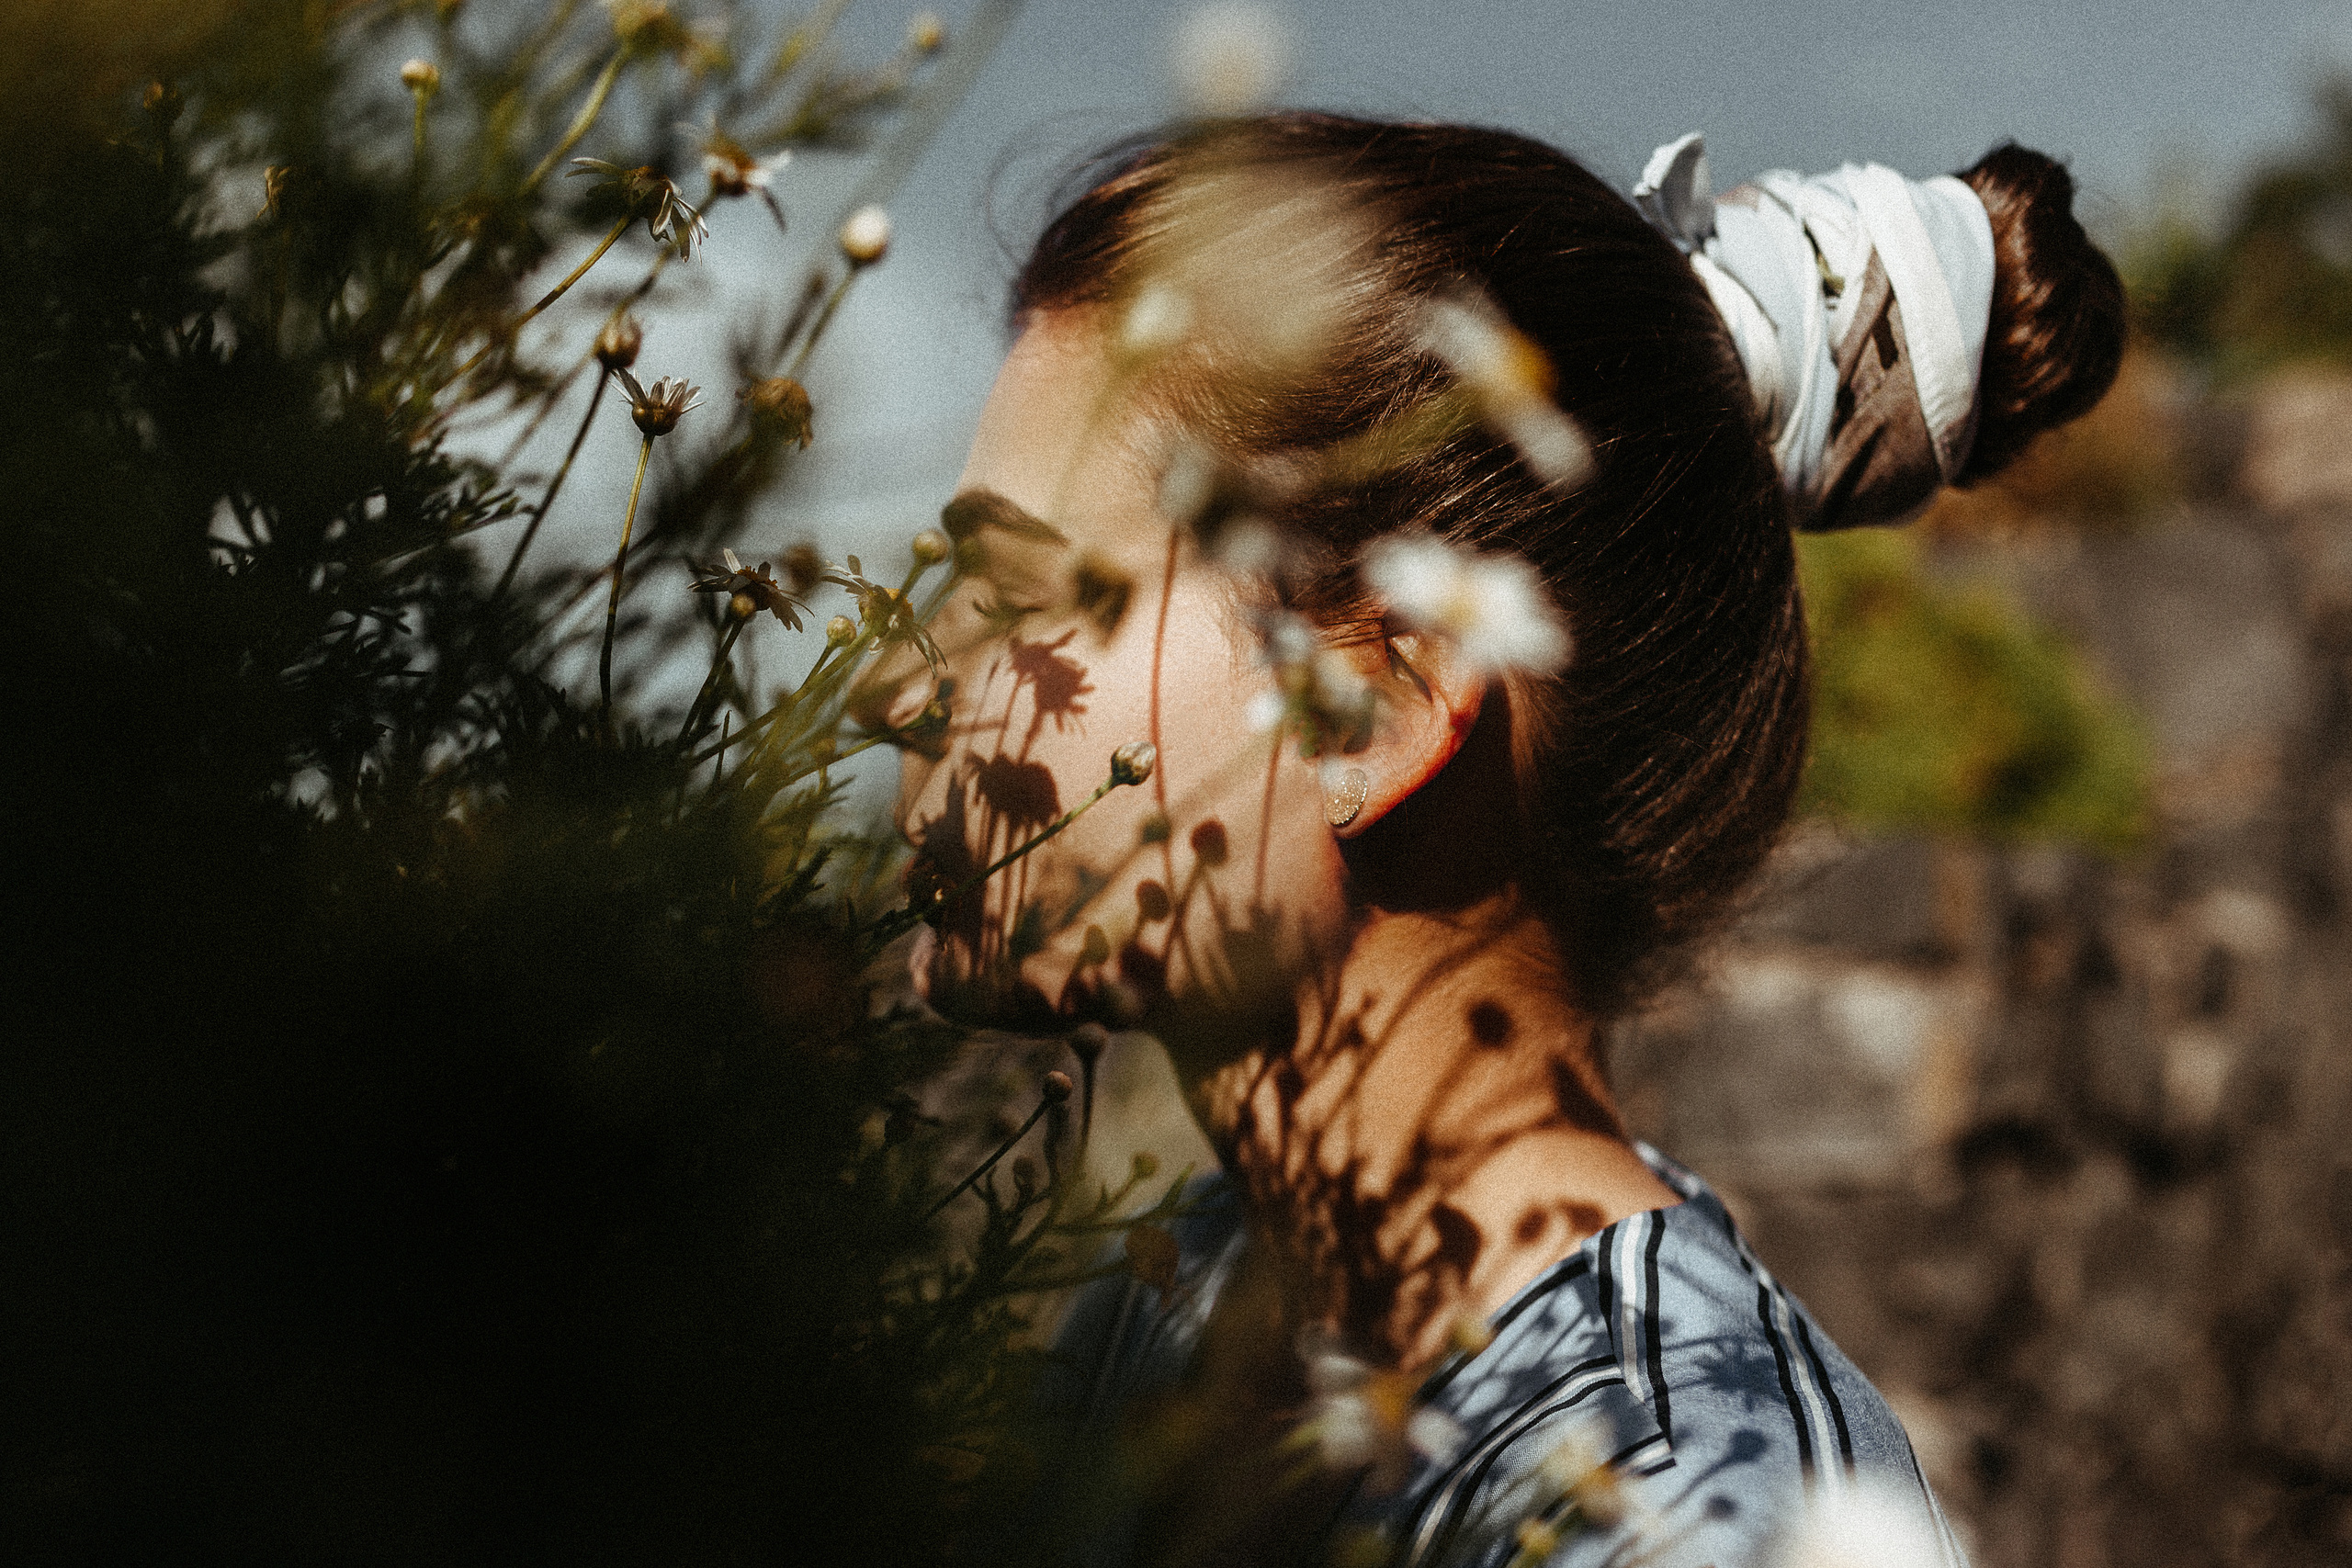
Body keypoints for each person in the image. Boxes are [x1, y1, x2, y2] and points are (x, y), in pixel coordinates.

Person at [896, 112, 2124, 1566]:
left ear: (1378, 697)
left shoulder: (1692, 1517)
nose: (897, 689)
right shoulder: (1169, 1311)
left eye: (1019, 594)